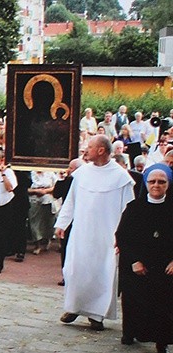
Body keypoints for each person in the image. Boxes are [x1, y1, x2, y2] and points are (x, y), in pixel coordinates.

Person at [55, 135, 135, 331]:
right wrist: (62, 223)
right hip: (81, 232)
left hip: (107, 236)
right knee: (75, 270)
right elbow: (71, 201)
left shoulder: (121, 177)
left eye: (90, 147)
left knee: (102, 273)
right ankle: (73, 307)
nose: (86, 150)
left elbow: (129, 210)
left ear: (101, 150)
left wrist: (123, 236)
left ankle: (97, 316)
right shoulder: (82, 173)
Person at [116, 164, 172, 353]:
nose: (156, 185)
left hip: (165, 265)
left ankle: (161, 340)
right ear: (146, 183)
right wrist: (134, 260)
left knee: (164, 302)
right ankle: (130, 332)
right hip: (137, 264)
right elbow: (122, 236)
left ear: (168, 185)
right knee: (134, 299)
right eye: (152, 181)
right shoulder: (134, 208)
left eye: (161, 182)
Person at [52, 158, 85, 286]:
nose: (68, 170)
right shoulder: (67, 181)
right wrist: (61, 179)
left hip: (81, 218)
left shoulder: (84, 181)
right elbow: (56, 194)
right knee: (65, 247)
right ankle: (66, 275)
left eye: (71, 168)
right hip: (68, 218)